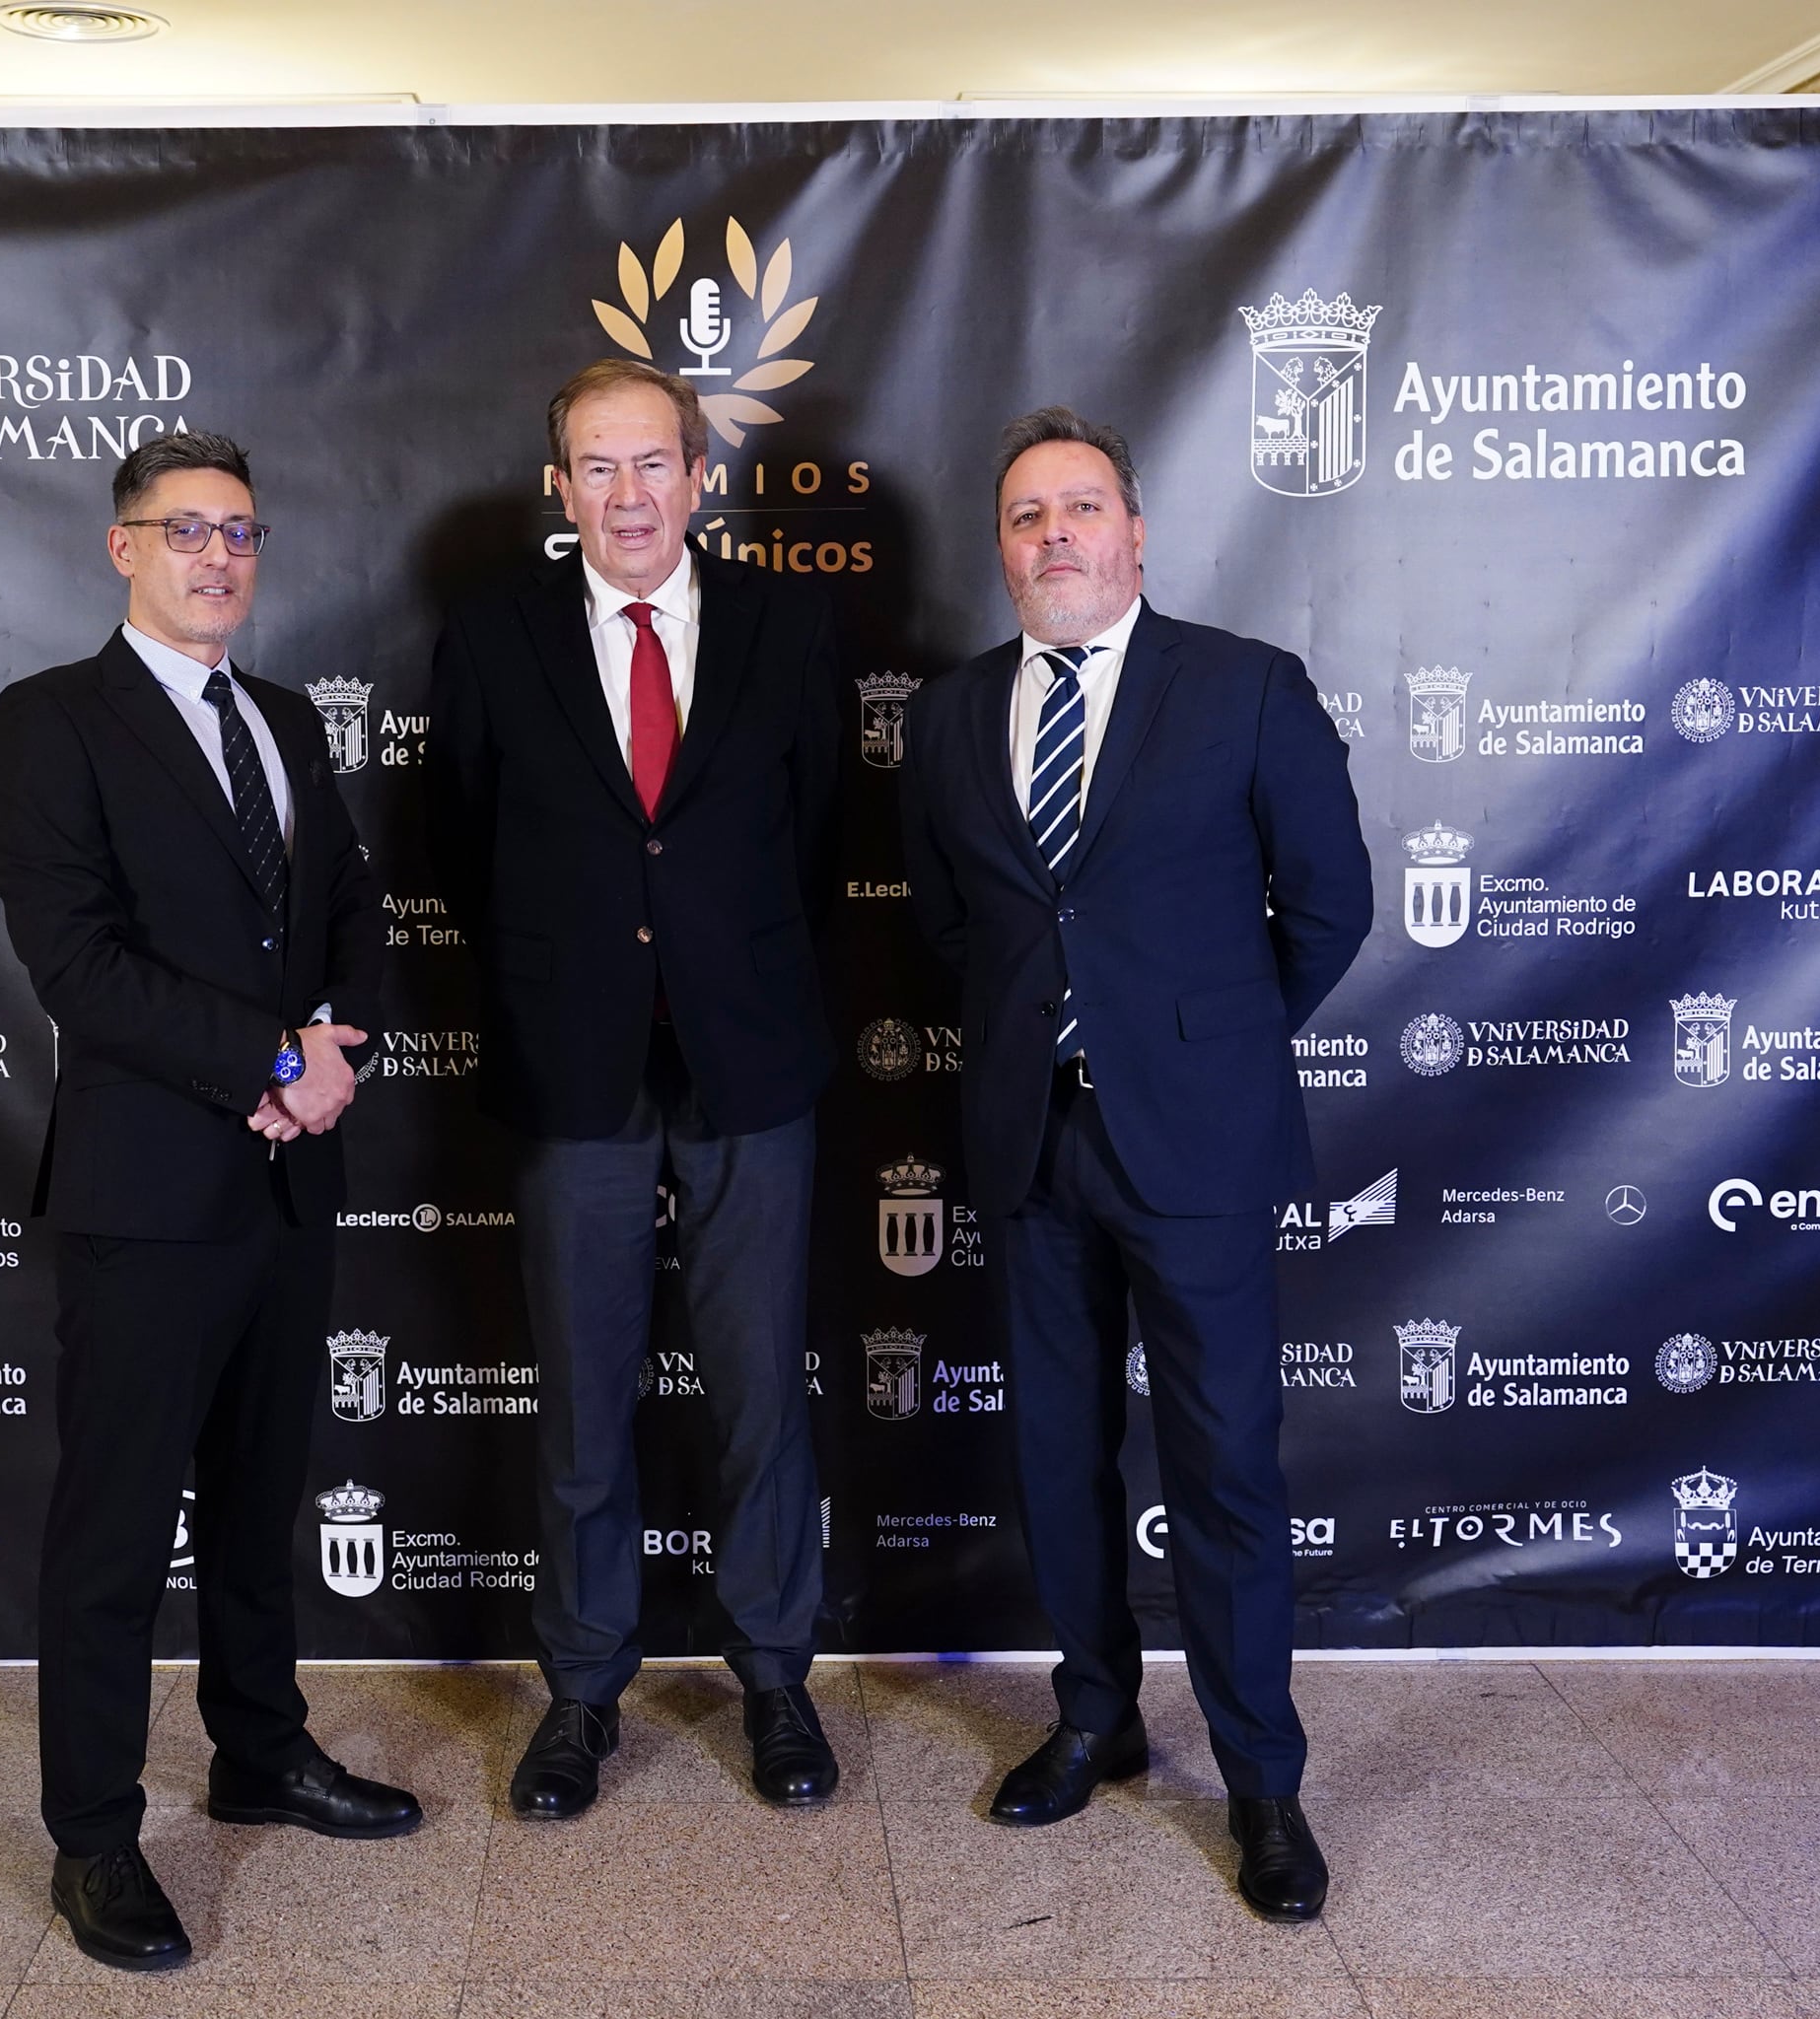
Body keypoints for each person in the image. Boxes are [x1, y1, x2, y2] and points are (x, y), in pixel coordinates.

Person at [897, 406, 1370, 1921]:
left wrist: (1202, 1045)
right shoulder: (948, 717)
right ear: (1002, 548)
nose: (1057, 535)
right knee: (1058, 1454)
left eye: (1082, 507)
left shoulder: (1243, 687)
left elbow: (1333, 905)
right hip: (1030, 1142)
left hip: (1199, 1146)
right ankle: (1094, 1716)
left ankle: (1262, 1783)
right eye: (1027, 515)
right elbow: (951, 922)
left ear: (1137, 530)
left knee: (1225, 1466)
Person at [0, 431, 419, 1975]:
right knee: (117, 1528)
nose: (218, 557)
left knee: (257, 1496)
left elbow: (350, 907)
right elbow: (78, 963)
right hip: (150, 1189)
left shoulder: (284, 717)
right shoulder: (52, 720)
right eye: (186, 531)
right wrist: (269, 1059)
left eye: (239, 532)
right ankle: (95, 1835)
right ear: (124, 548)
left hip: (289, 1181)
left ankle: (260, 1750)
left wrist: (332, 1050)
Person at [428, 358, 846, 1819]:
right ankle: (583, 1690)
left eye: (652, 462)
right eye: (596, 467)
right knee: (584, 1401)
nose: (627, 494)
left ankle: (777, 1677)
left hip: (752, 1062)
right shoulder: (492, 634)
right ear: (561, 488)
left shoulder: (791, 624)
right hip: (575, 1069)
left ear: (698, 476)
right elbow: (465, 847)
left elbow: (814, 833)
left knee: (762, 1397)